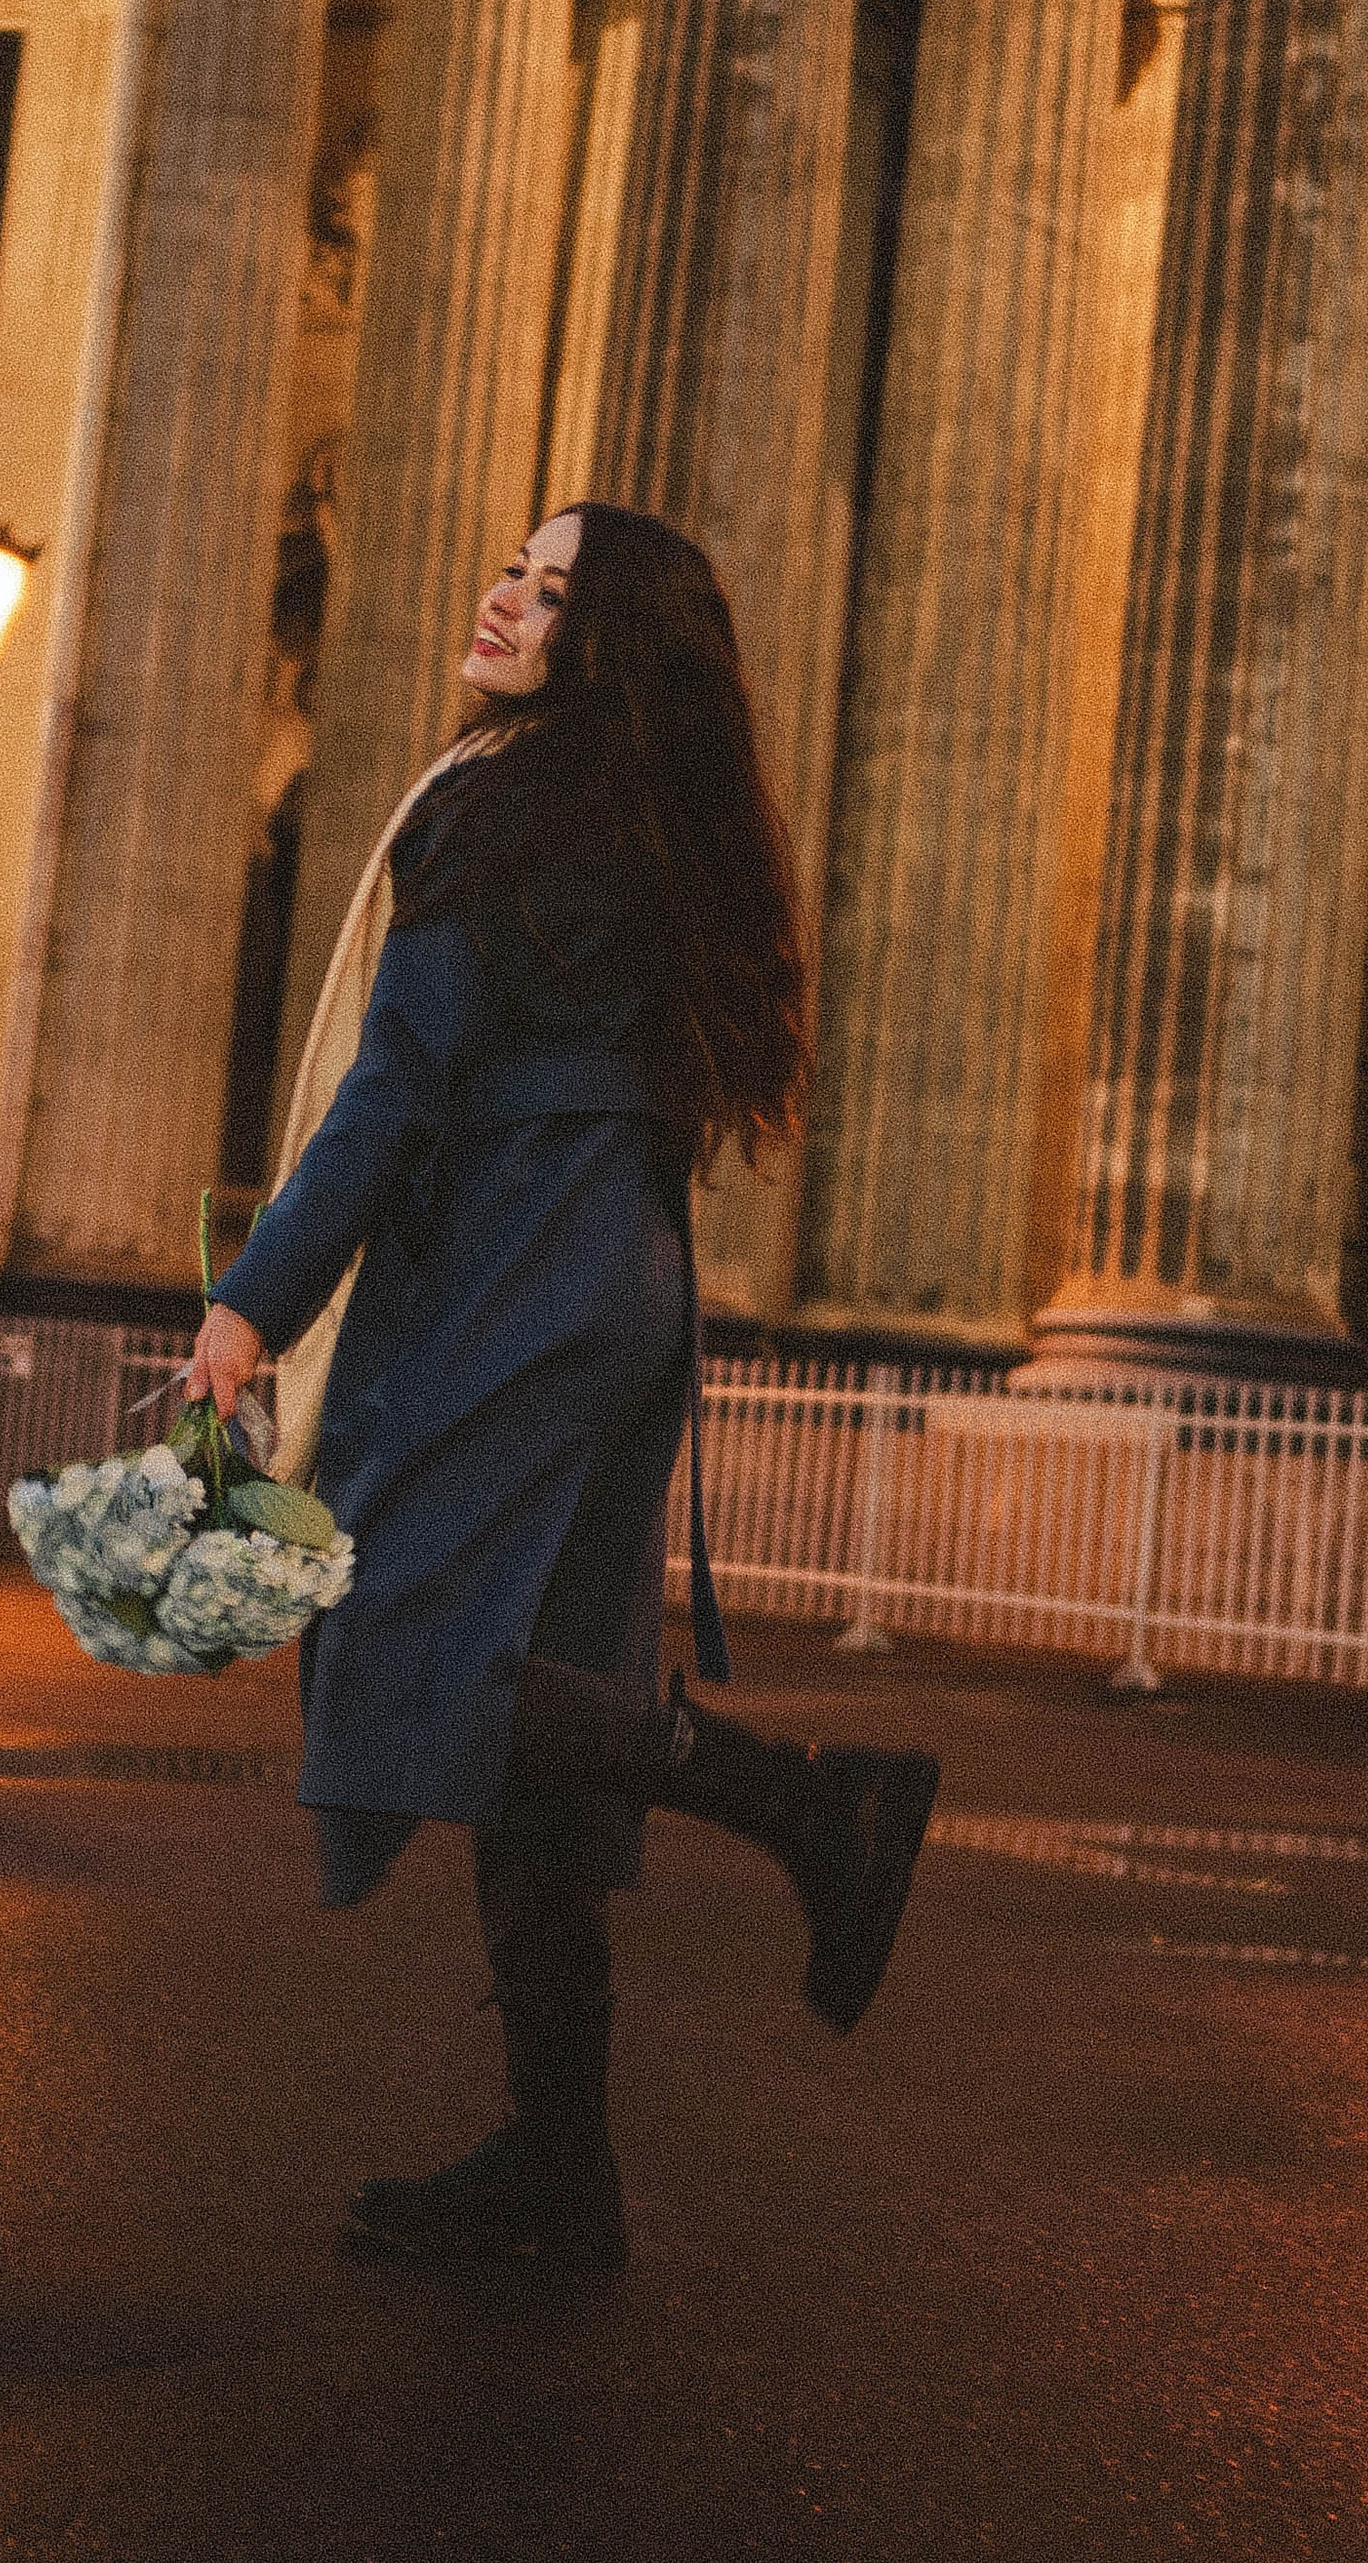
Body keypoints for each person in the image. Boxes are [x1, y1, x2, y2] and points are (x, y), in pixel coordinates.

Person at [184, 502, 940, 2273]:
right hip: (623, 1272)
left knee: (397, 1634)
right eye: (509, 571)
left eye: (549, 591)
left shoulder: (494, 802)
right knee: (547, 1702)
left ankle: (812, 1805)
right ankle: (560, 2168)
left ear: (603, 645)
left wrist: (253, 1305)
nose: (503, 597)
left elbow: (398, 1088)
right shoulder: (661, 823)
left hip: (521, 1262)